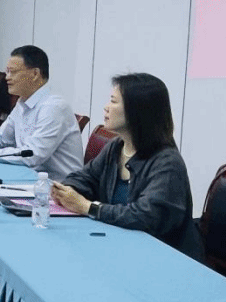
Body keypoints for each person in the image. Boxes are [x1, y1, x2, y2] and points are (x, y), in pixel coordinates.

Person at [52, 73, 204, 260]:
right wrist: (66, 190)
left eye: (113, 102)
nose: (106, 107)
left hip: (161, 257)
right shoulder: (116, 147)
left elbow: (145, 216)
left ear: (137, 110)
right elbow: (86, 177)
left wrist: (88, 207)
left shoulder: (167, 163)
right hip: (120, 246)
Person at [0, 45, 83, 180]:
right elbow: (1, 137)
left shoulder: (54, 107)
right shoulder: (23, 102)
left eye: (12, 72)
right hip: (28, 175)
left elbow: (32, 156)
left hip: (57, 185)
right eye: (7, 72)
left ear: (35, 74)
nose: (7, 78)